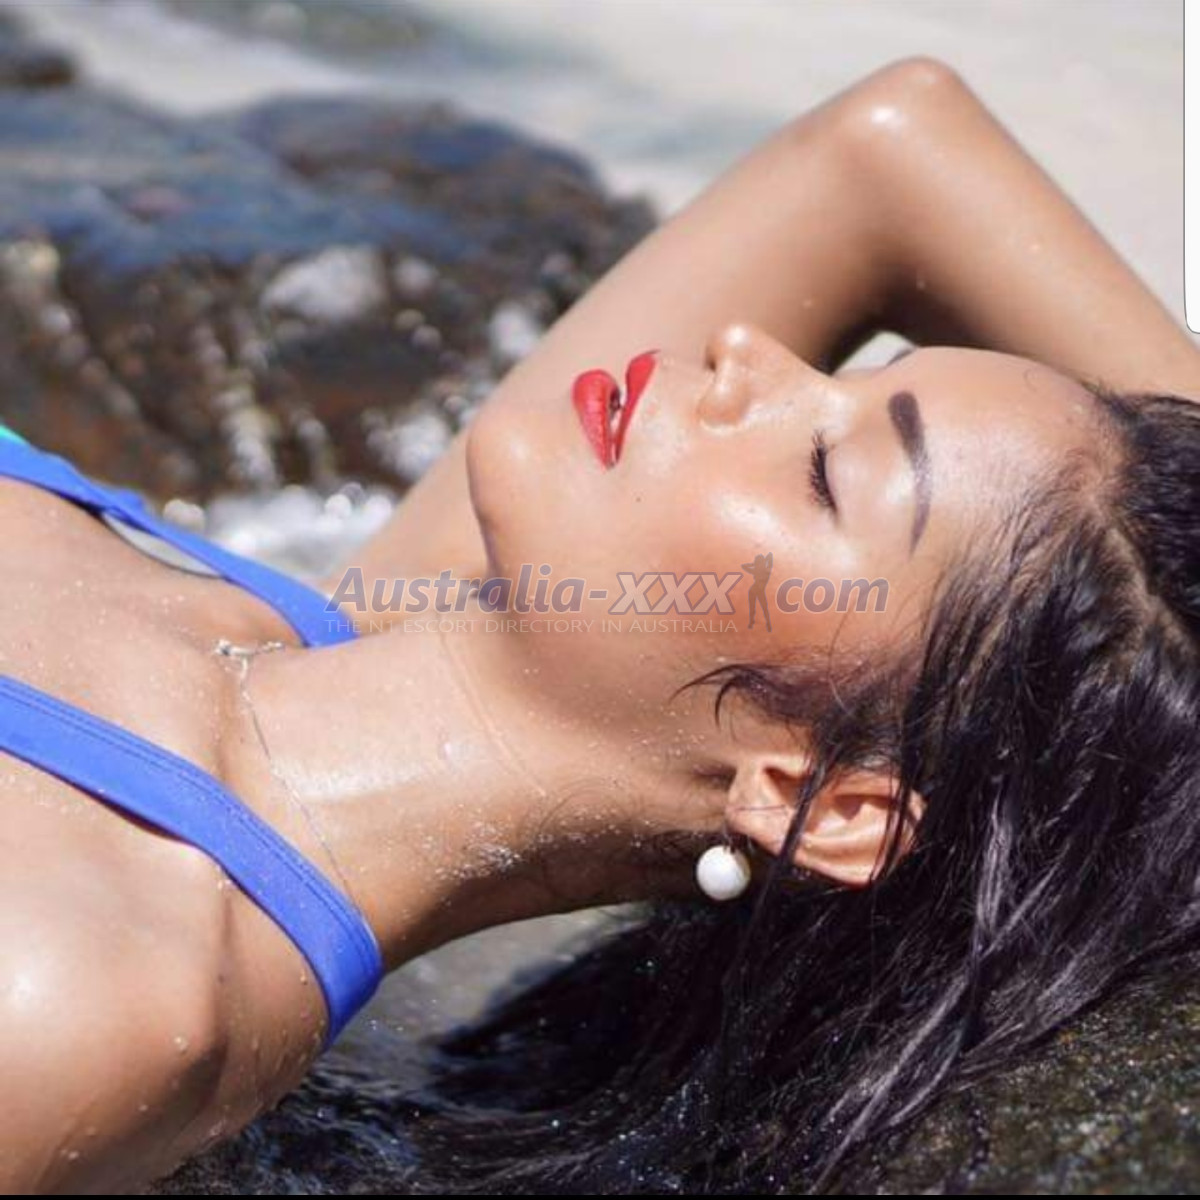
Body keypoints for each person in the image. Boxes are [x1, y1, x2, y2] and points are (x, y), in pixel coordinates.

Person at [0, 54, 1197, 1194]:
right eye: (845, 376)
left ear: (821, 802)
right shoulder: (353, 622)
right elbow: (894, 144)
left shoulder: (88, 995)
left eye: (826, 470)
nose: (747, 352)